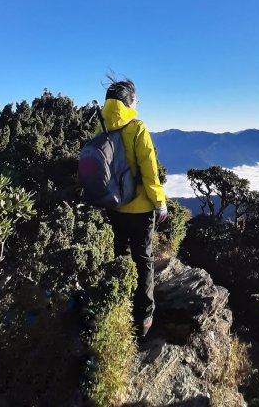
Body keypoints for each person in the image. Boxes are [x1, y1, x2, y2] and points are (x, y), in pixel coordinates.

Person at [99, 76, 167, 338]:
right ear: (128, 102)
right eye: (136, 99)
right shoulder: (137, 127)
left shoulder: (102, 128)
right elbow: (150, 171)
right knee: (143, 260)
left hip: (113, 206)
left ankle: (118, 304)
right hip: (139, 209)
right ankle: (144, 316)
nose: (138, 103)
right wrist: (159, 203)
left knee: (119, 254)